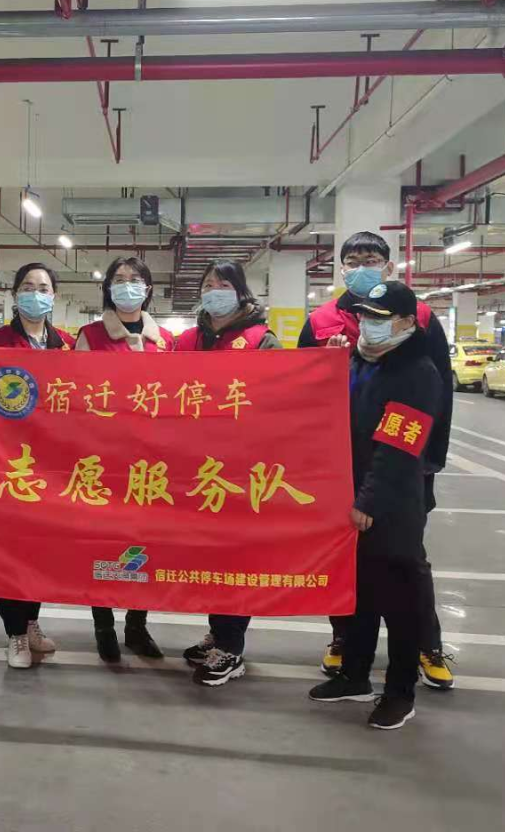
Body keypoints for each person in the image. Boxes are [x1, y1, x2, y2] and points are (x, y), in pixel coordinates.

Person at [297, 231, 456, 691]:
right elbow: (302, 387)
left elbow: (437, 395)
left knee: (406, 564)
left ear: (388, 265)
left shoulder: (418, 321)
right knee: (349, 563)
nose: (360, 266)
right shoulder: (323, 322)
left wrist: (430, 461)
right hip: (341, 467)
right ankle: (347, 646)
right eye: (352, 260)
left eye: (370, 258)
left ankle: (425, 646)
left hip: (400, 469)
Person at [175, 260, 280, 688]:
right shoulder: (189, 340)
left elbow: (277, 401)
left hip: (240, 470)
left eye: (223, 284)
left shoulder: (262, 341)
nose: (214, 291)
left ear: (240, 292)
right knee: (207, 557)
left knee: (236, 558)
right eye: (207, 284)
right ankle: (219, 633)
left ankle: (231, 647)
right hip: (196, 468)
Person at [75, 256, 171, 662]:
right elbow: (76, 397)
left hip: (151, 464)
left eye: (135, 279)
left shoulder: (165, 340)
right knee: (102, 544)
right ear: (108, 288)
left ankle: (136, 624)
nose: (127, 285)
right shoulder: (90, 335)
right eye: (119, 278)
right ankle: (103, 625)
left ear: (148, 288)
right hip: (103, 460)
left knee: (145, 545)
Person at [0, 262, 72, 668]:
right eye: (28, 286)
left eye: (44, 287)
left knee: (41, 551)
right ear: (15, 294)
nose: (36, 293)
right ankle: (14, 633)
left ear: (54, 296)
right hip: (9, 463)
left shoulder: (67, 345)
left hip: (52, 465)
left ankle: (32, 621)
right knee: (10, 550)